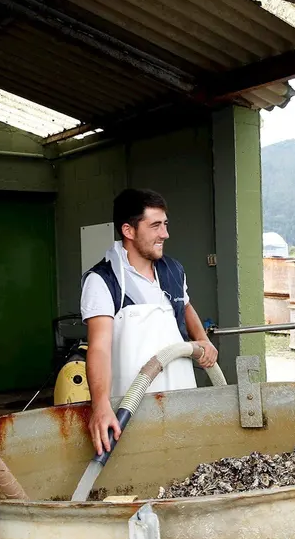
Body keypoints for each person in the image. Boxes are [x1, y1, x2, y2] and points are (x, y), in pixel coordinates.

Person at [81, 188, 218, 455]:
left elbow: (185, 305)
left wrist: (202, 340)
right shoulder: (103, 280)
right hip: (133, 403)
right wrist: (100, 405)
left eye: (165, 224)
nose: (164, 234)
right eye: (155, 225)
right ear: (128, 231)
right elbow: (98, 347)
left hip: (181, 393)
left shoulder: (173, 269)